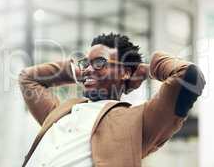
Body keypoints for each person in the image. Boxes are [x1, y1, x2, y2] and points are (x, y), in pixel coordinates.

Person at [19, 33, 205, 167]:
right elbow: (28, 78)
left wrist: (145, 69)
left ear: (124, 72)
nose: (89, 69)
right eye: (86, 63)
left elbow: (190, 76)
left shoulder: (140, 121)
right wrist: (76, 71)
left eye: (99, 62)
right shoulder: (61, 111)